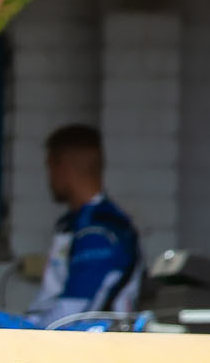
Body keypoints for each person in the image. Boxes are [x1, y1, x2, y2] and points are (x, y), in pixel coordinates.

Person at [25, 124, 141, 328]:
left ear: (63, 168)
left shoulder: (100, 232)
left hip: (100, 352)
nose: (49, 178)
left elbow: (71, 313)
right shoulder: (74, 225)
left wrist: (22, 333)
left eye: (50, 167)